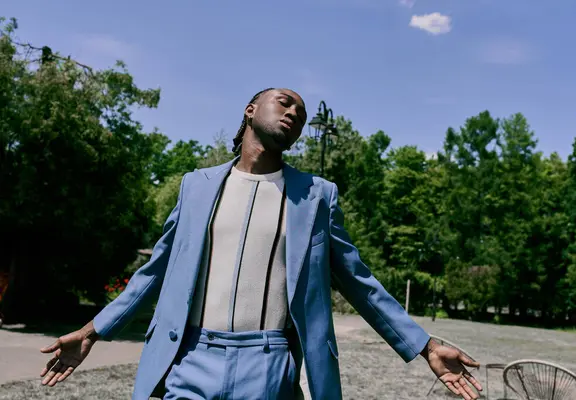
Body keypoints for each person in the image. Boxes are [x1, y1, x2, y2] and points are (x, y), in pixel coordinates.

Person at [39, 88, 483, 400]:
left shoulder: (317, 196)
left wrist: (424, 345)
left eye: (302, 114)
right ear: (251, 110)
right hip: (190, 357)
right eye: (284, 102)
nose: (293, 113)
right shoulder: (196, 186)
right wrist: (94, 330)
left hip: (270, 364)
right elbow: (154, 271)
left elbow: (360, 282)